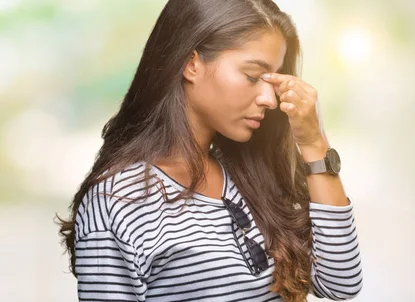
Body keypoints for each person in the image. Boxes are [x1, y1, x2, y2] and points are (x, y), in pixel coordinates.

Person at [56, 0, 363, 301]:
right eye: (253, 76)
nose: (270, 99)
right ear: (191, 64)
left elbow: (341, 283)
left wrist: (313, 144)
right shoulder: (119, 201)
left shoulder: (252, 176)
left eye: (274, 81)